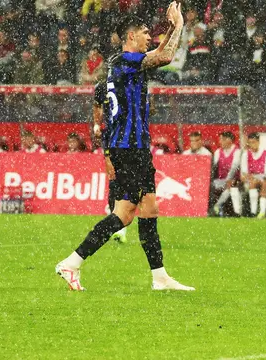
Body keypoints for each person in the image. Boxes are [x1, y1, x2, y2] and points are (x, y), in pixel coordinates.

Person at [56, 4, 195, 291]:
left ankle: (159, 277)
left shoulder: (121, 63)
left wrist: (168, 29)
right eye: (145, 33)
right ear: (131, 36)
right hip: (129, 147)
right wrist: (179, 25)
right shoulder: (127, 61)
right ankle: (72, 262)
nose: (149, 38)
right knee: (124, 214)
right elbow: (166, 55)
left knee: (149, 209)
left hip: (133, 147)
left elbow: (155, 53)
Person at [93, 81, 127, 244]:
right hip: (113, 138)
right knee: (114, 181)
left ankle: (121, 221)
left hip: (131, 139)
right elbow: (97, 106)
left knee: (132, 185)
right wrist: (96, 124)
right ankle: (119, 226)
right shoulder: (102, 87)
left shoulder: (131, 83)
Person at [211, 132, 242, 217]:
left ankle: (217, 206)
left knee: (232, 186)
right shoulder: (218, 152)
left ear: (229, 140)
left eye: (222, 139)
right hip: (221, 180)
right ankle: (212, 207)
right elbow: (213, 167)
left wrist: (229, 179)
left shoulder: (237, 151)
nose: (220, 142)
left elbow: (234, 167)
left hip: (235, 179)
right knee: (209, 186)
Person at [240, 132, 266, 219]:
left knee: (264, 184)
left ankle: (262, 212)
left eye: (254, 142)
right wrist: (252, 177)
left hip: (264, 179)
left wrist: (258, 177)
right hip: (250, 179)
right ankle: (253, 212)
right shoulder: (246, 154)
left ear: (258, 142)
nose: (252, 145)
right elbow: (244, 172)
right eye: (250, 143)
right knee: (252, 183)